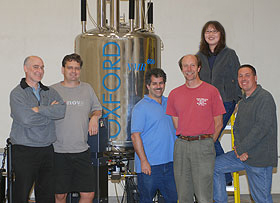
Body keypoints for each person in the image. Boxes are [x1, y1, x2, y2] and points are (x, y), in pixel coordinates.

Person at [213, 64, 278, 203]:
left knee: (261, 199)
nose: (243, 79)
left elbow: (261, 128)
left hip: (259, 158)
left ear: (255, 78)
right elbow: (236, 128)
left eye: (247, 75)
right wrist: (238, 149)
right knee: (214, 166)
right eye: (240, 76)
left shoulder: (265, 98)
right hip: (241, 154)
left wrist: (242, 149)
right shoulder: (242, 102)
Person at [166, 54, 225, 203]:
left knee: (204, 195)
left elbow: (218, 122)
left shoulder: (211, 91)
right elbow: (176, 123)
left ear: (198, 68)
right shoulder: (174, 94)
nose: (189, 69)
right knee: (183, 194)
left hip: (203, 145)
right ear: (181, 70)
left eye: (192, 65)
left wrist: (208, 142)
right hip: (181, 146)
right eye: (185, 66)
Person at [9, 56, 66, 202]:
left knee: (46, 195)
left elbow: (61, 111)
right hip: (24, 150)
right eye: (35, 67)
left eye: (42, 67)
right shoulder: (17, 93)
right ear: (25, 68)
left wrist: (38, 109)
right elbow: (26, 119)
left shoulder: (50, 91)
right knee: (21, 195)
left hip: (47, 149)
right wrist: (49, 111)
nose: (39, 71)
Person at [52, 53, 102, 203]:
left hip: (81, 151)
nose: (73, 71)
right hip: (58, 152)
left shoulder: (87, 89)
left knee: (88, 194)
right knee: (60, 195)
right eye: (70, 68)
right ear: (63, 69)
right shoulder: (51, 91)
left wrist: (94, 117)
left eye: (77, 68)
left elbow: (98, 109)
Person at [197, 21, 242, 185]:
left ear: (220, 34)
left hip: (225, 101)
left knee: (210, 137)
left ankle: (225, 175)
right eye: (207, 31)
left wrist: (238, 99)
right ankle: (225, 173)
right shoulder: (199, 56)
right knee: (208, 138)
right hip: (205, 103)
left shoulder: (229, 54)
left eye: (214, 31)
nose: (211, 34)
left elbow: (238, 76)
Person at [131, 68, 178, 203]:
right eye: (154, 83)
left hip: (170, 164)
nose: (158, 87)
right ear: (148, 86)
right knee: (146, 200)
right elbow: (135, 136)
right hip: (149, 166)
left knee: (173, 200)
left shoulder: (170, 103)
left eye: (161, 83)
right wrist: (144, 161)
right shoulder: (140, 108)